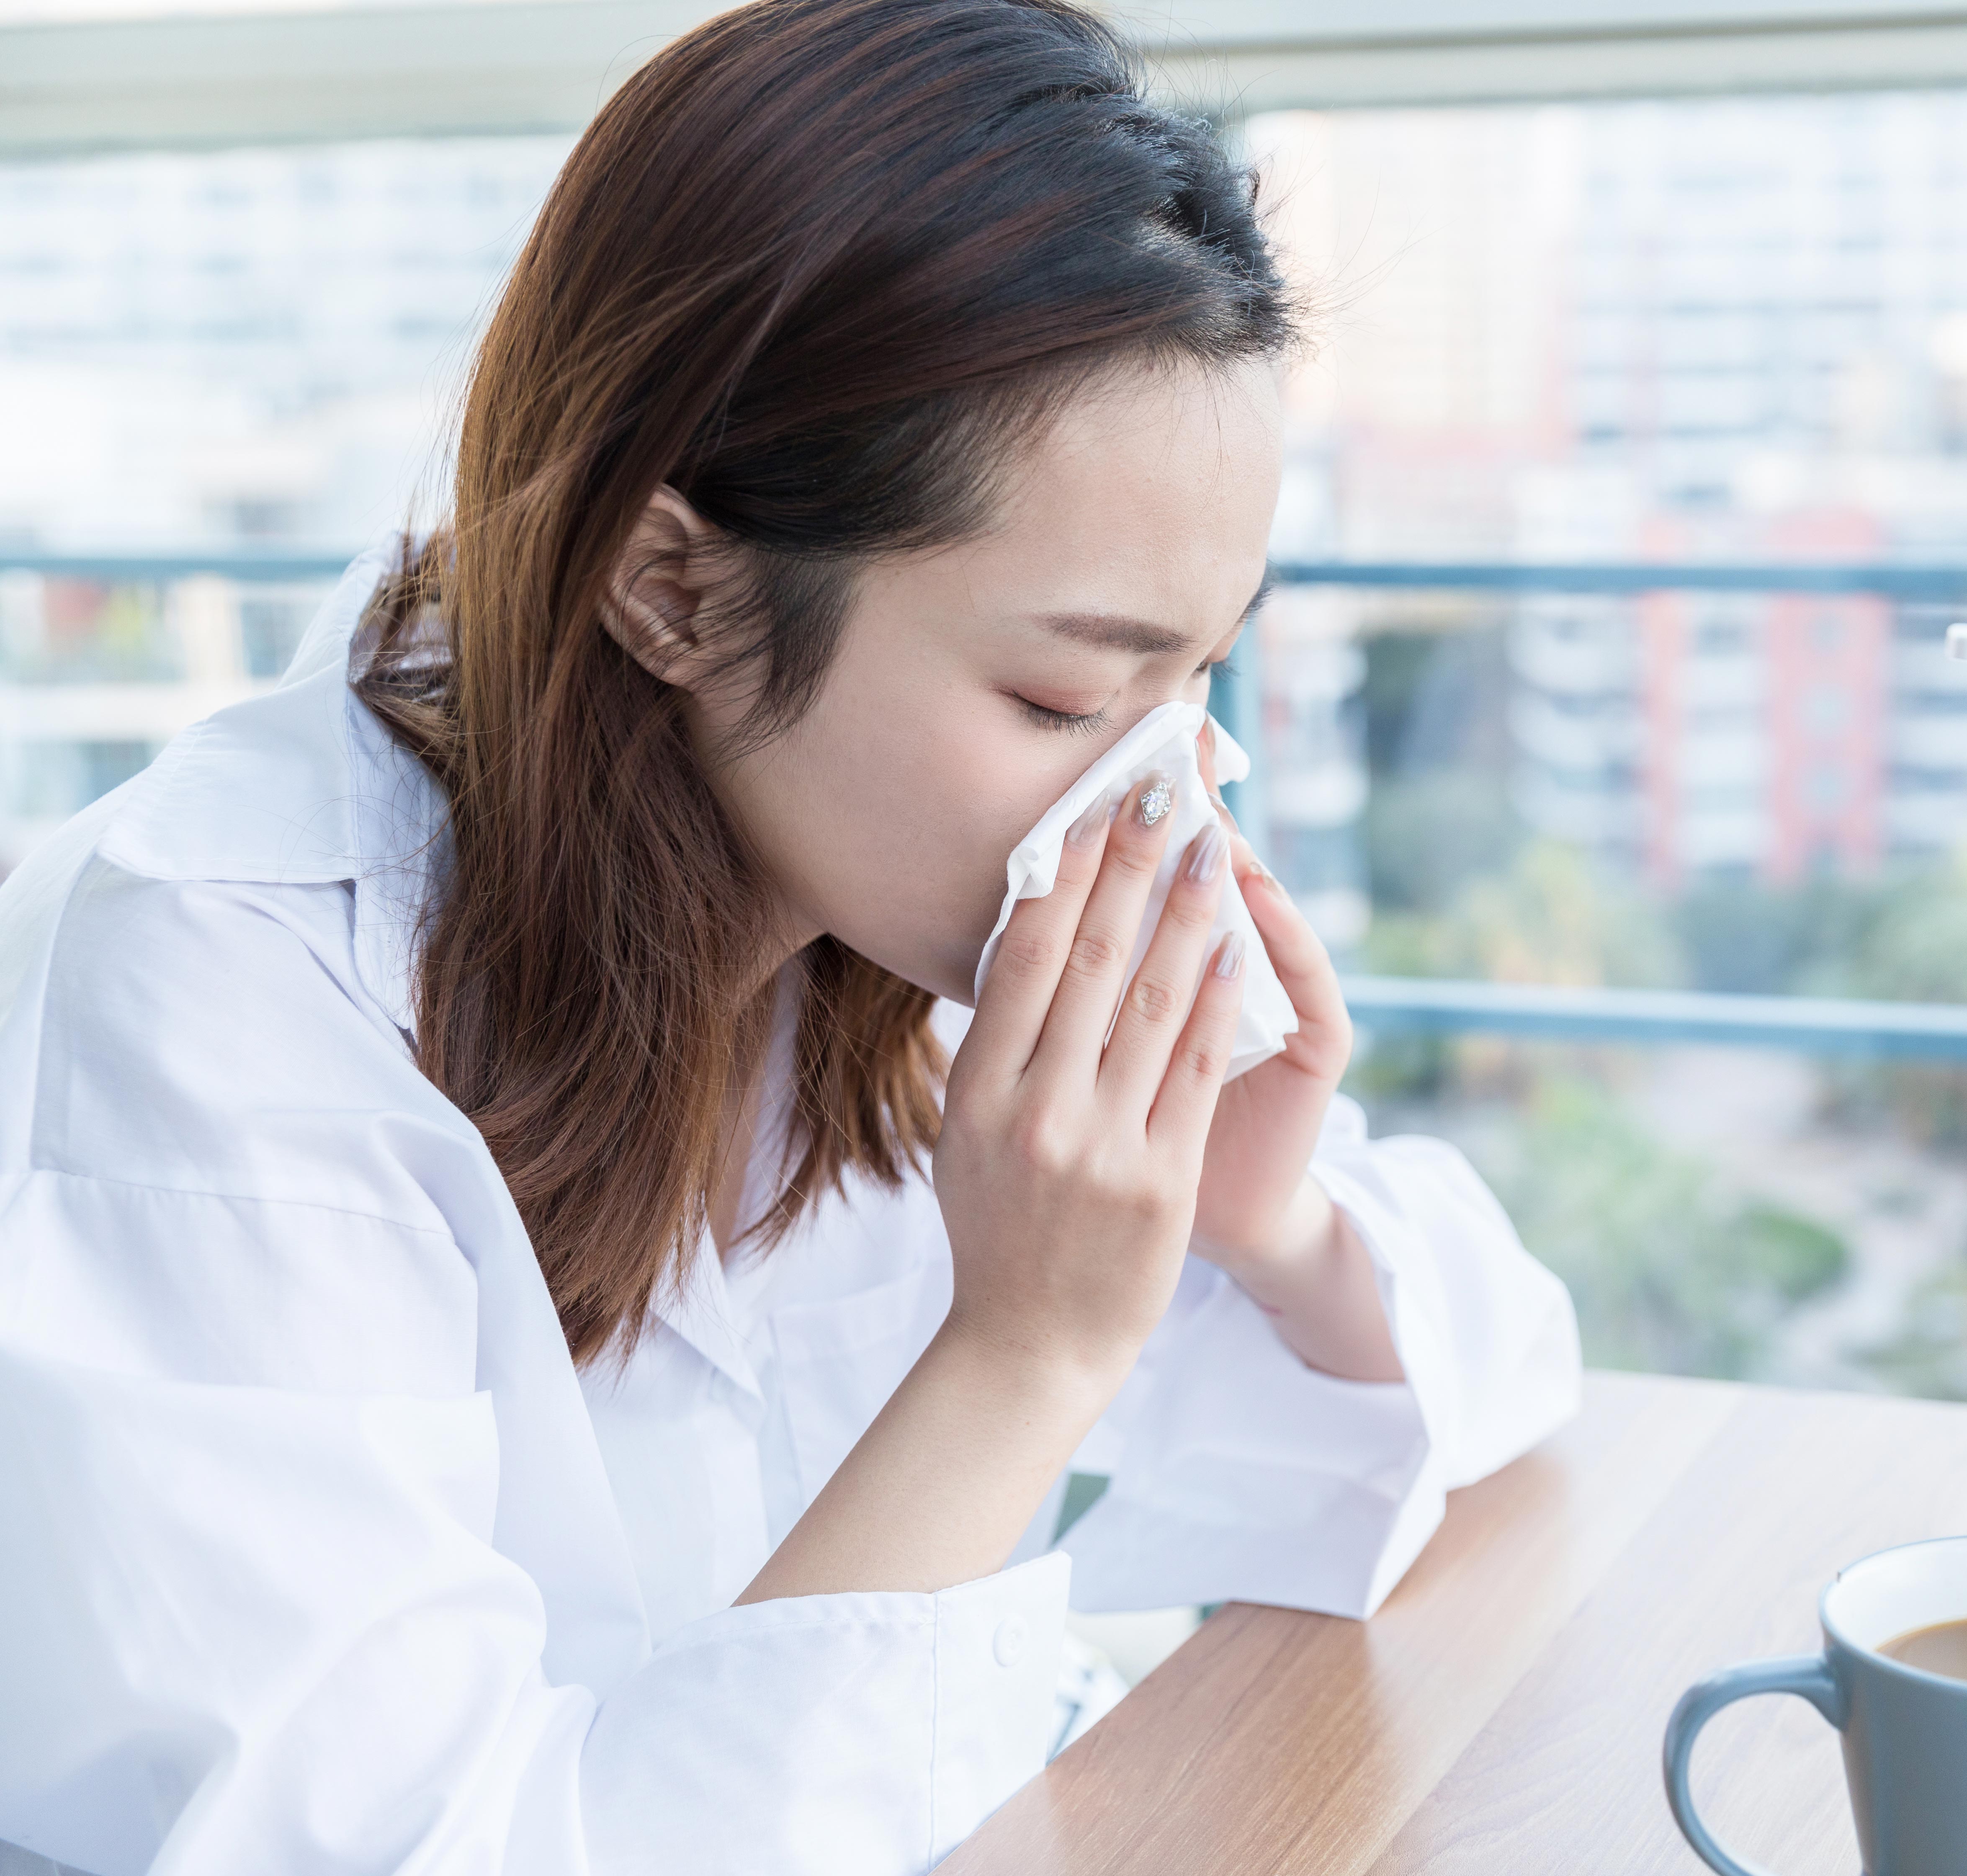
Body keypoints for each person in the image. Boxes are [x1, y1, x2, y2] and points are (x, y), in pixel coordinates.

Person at [0, 4, 1582, 1871]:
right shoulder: (209, 994)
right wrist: (1021, 1354)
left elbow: (1499, 1378)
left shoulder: (870, 899)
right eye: (1072, 697)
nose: (1174, 788)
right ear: (671, 587)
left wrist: (1266, 1218)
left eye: (1203, 672)